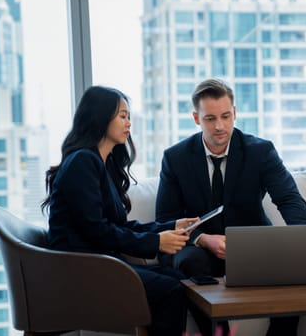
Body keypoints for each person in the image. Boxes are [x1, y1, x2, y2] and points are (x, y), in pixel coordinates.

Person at [155, 78, 306, 336]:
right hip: (199, 251)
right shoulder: (175, 157)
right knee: (188, 261)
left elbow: (289, 199)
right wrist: (203, 239)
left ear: (235, 113)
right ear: (196, 118)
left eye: (226, 116)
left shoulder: (260, 151)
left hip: (253, 246)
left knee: (297, 268)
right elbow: (165, 219)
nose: (219, 126)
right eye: (210, 118)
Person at [41, 85, 200, 336]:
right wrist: (156, 242)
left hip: (100, 265)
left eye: (129, 116)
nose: (128, 123)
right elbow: (98, 231)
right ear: (100, 117)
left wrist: (169, 227)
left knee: (176, 278)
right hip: (83, 271)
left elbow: (119, 226)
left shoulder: (102, 164)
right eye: (122, 116)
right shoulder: (83, 162)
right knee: (171, 290)